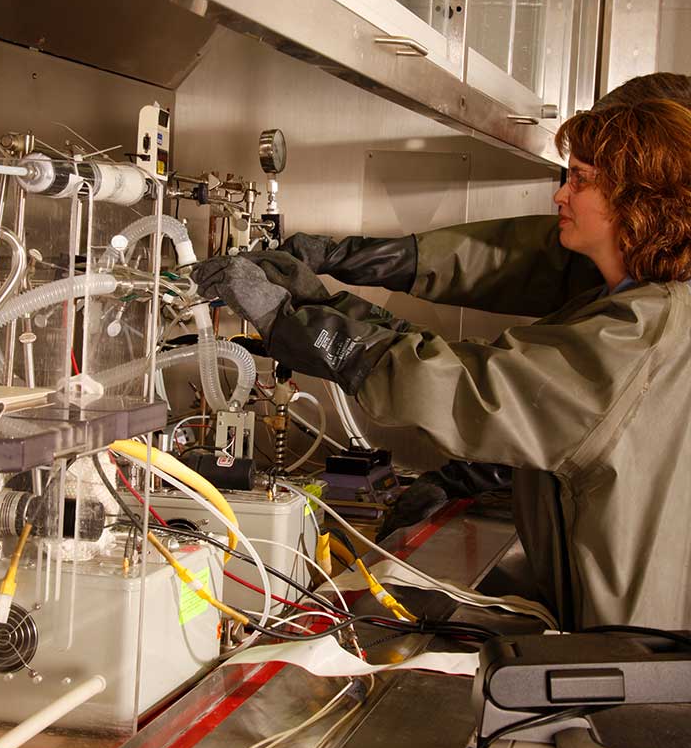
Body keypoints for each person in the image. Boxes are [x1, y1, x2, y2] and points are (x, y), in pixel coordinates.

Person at [194, 98, 691, 631]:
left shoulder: (637, 333)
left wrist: (292, 322)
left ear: (639, 202)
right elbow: (481, 363)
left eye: (581, 180)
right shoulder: (647, 303)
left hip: (635, 653)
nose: (559, 195)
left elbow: (466, 387)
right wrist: (325, 306)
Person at [278, 71, 691, 539]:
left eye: (581, 177)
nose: (559, 195)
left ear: (644, 194)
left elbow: (491, 389)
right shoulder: (644, 279)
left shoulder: (648, 321)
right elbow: (521, 259)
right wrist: (359, 263)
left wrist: (309, 328)